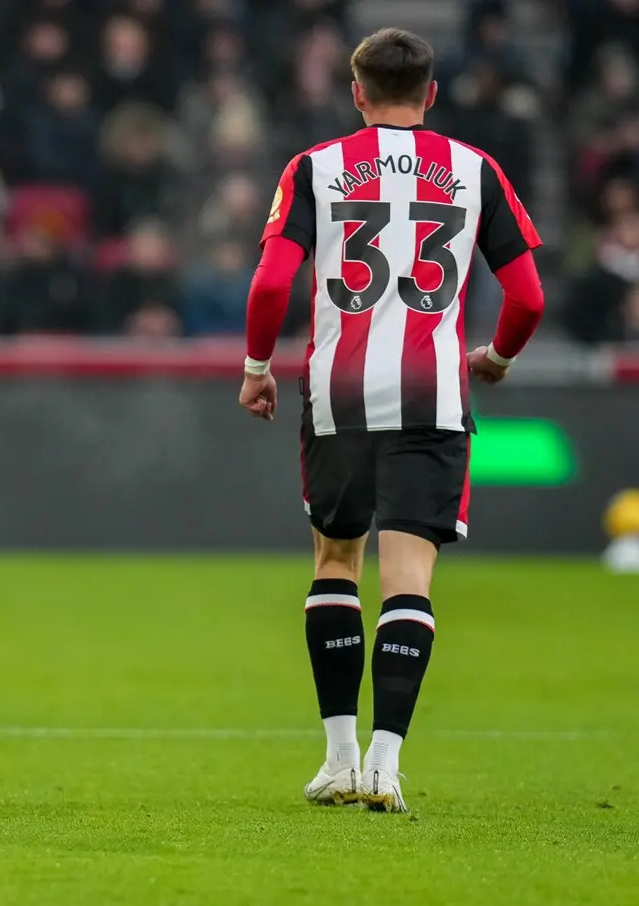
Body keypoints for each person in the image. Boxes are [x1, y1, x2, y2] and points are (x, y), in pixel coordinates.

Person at [238, 28, 546, 811]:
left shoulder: (314, 167)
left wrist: (254, 368)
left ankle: (337, 757)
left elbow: (272, 283)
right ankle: (385, 762)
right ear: (431, 94)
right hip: (432, 396)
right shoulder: (474, 171)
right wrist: (499, 358)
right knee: (409, 579)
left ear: (356, 93)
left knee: (336, 562)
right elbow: (528, 297)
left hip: (339, 394)